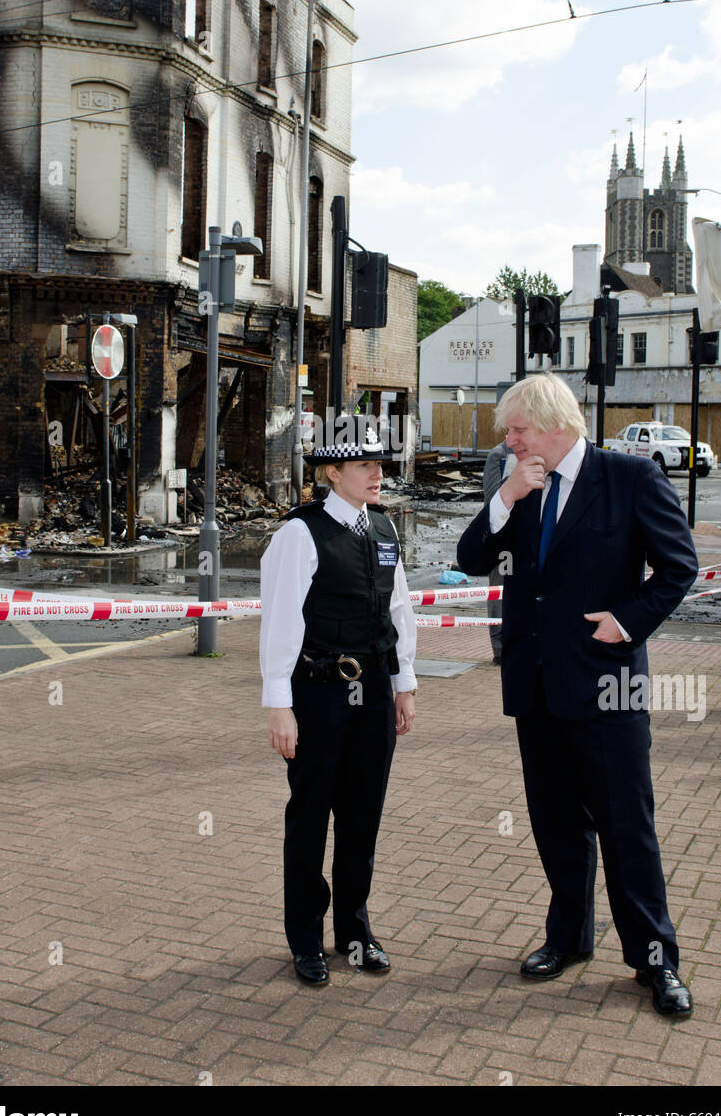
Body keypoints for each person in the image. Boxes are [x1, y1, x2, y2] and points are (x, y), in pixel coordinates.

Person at [456, 374, 698, 1017]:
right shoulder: (521, 485)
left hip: (608, 687)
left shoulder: (631, 479)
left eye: (518, 430)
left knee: (628, 829)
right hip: (536, 687)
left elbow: (679, 568)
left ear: (554, 425)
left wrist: (626, 620)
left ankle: (656, 961)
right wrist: (506, 494)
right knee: (557, 827)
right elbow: (473, 554)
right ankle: (567, 940)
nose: (508, 440)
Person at [260, 419, 417, 986]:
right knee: (310, 817)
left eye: (380, 464)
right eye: (364, 465)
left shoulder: (383, 527)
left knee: (361, 818)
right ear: (332, 473)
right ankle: (305, 937)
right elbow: (280, 620)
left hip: (373, 691)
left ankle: (354, 931)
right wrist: (279, 704)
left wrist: (404, 683)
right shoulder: (299, 534)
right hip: (319, 693)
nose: (378, 473)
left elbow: (397, 611)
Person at [482, 438, 515, 664]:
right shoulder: (499, 455)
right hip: (503, 541)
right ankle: (499, 647)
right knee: (499, 593)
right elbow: (492, 498)